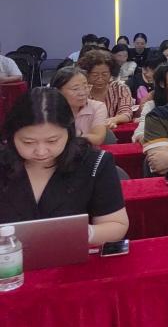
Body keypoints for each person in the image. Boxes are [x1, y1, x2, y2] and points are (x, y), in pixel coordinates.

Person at [0, 88, 128, 245]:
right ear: (11, 136)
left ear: (69, 132)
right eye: (28, 142)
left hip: (71, 255)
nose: (41, 151)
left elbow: (115, 224)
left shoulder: (93, 163)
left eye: (52, 141)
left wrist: (82, 233)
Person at [52, 66, 108, 147]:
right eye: (75, 89)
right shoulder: (48, 109)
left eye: (85, 87)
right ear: (58, 91)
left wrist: (72, 133)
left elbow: (98, 139)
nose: (83, 93)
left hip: (86, 152)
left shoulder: (97, 107)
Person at [78, 49, 133, 128]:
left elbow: (127, 113)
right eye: (95, 75)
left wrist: (114, 120)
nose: (100, 79)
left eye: (105, 74)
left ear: (111, 73)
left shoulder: (120, 88)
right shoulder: (81, 91)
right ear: (87, 74)